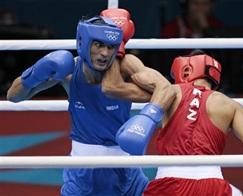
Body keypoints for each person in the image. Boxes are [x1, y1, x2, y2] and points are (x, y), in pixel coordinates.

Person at [6, 8, 176, 196]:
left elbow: (167, 88)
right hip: (83, 169)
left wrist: (148, 116)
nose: (104, 53)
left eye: (110, 47)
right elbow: (14, 96)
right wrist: (35, 73)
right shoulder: (70, 71)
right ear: (84, 42)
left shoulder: (126, 64)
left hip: (126, 168)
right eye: (98, 45)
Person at [116, 50, 243, 195]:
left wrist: (117, 54)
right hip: (213, 184)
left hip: (168, 183)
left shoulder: (169, 91)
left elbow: (117, 87)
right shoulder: (230, 105)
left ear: (186, 70)